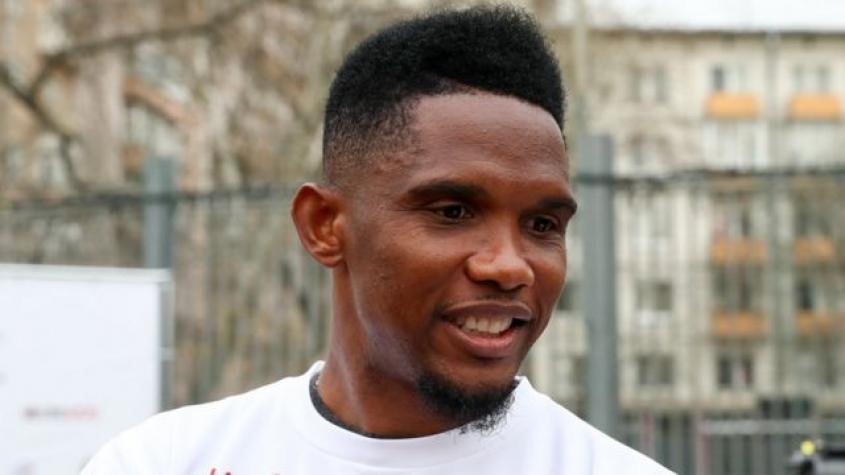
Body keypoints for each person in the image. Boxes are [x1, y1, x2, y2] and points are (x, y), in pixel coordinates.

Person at [82, 5, 673, 474]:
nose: (509, 266)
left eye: (542, 225)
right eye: (453, 211)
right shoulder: (163, 461)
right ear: (324, 225)